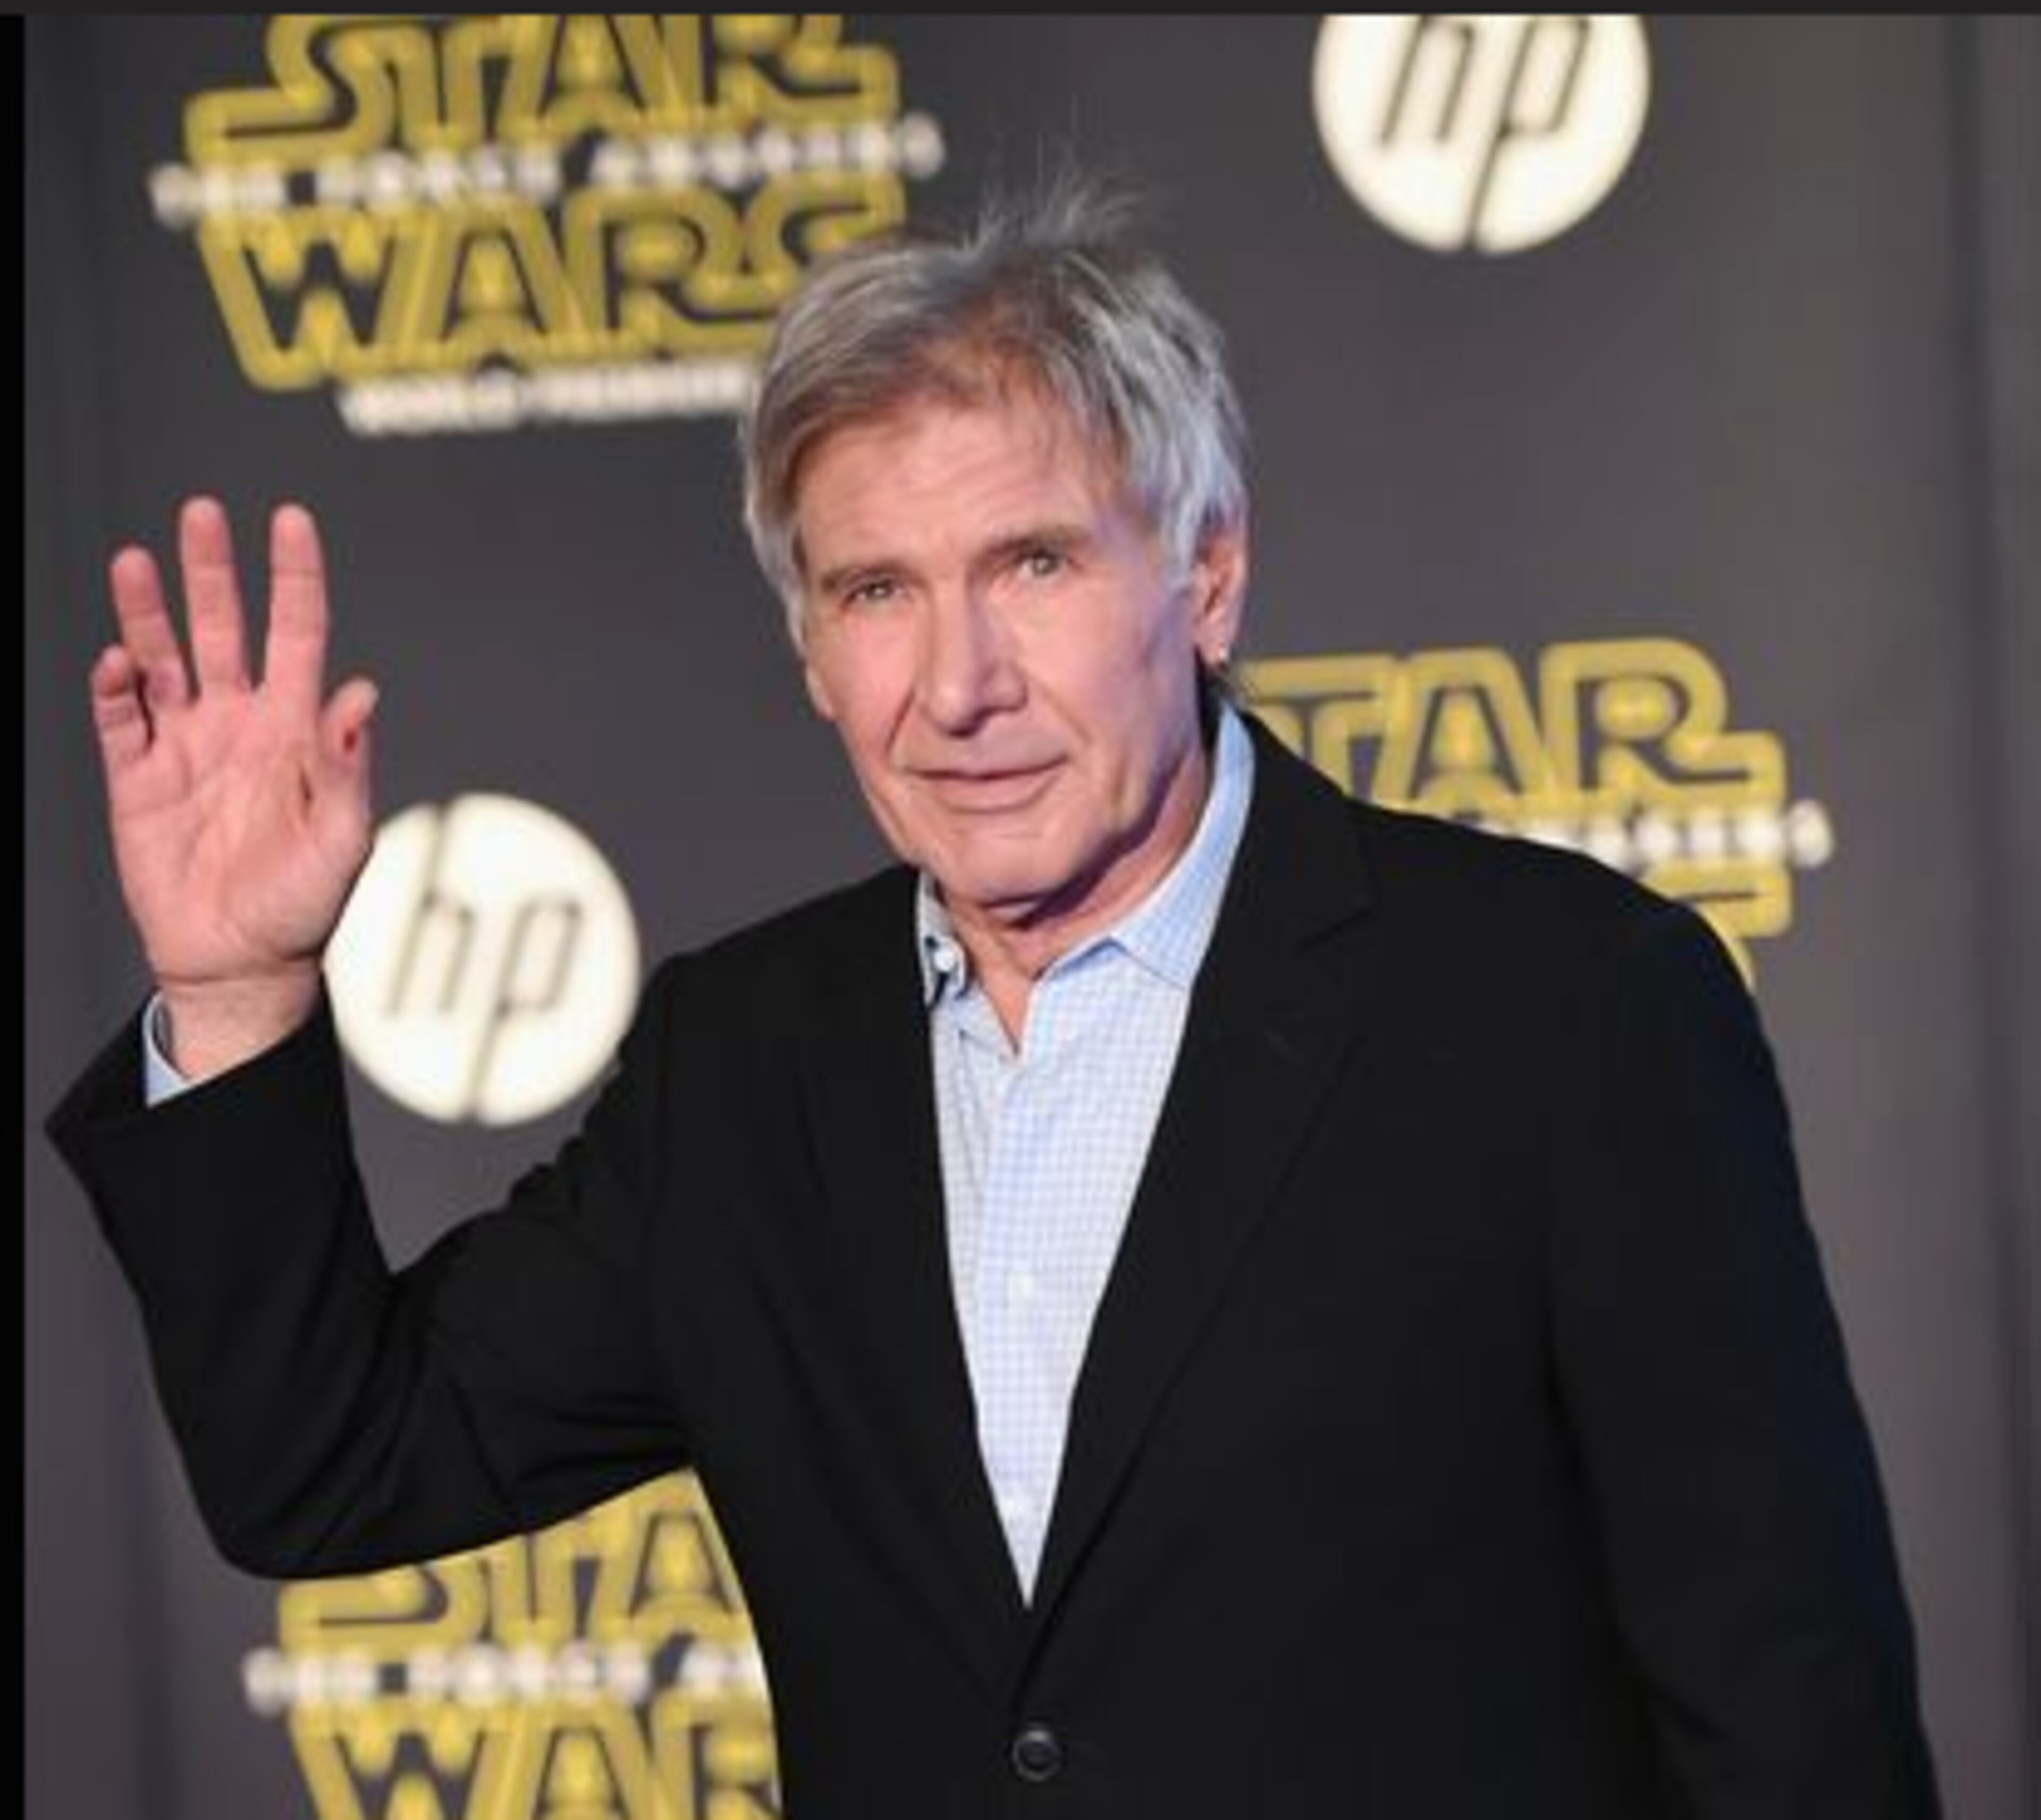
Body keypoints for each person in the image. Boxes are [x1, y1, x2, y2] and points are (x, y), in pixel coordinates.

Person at [49, 182, 1940, 1818]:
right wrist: (233, 989)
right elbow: (336, 1466)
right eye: (876, 590)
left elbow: (1791, 1718)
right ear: (809, 651)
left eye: (1030, 561)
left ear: (1205, 576)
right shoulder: (746, 1065)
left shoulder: (1562, 1009)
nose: (957, 684)